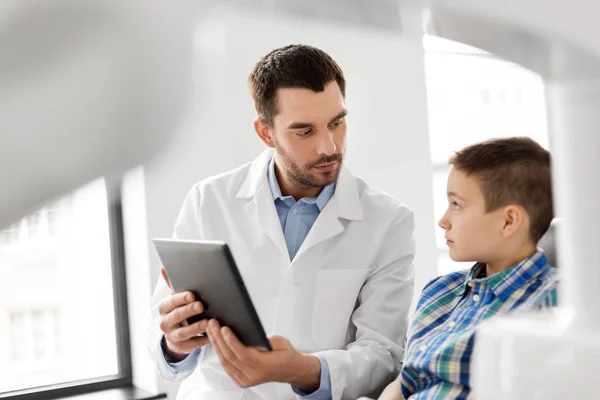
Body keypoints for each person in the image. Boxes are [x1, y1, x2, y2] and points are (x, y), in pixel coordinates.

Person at [147, 44, 416, 400]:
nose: (328, 146)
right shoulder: (208, 201)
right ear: (265, 132)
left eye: (337, 122)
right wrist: (173, 343)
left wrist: (298, 369)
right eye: (304, 131)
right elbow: (162, 343)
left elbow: (383, 358)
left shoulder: (389, 221)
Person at [372, 137, 558, 400]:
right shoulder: (439, 292)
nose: (443, 221)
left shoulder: (557, 302)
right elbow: (403, 384)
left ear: (508, 221)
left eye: (457, 205)